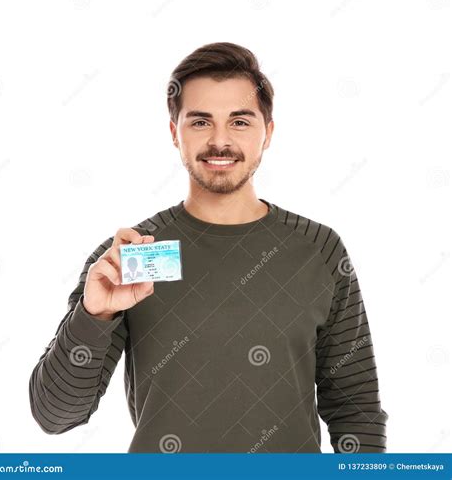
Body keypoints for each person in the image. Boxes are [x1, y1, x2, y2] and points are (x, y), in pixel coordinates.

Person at [29, 42, 388, 453]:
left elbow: (356, 411)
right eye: (200, 122)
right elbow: (55, 416)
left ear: (267, 133)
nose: (220, 141)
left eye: (239, 122)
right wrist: (96, 314)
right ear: (173, 133)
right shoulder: (130, 258)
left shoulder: (320, 249)